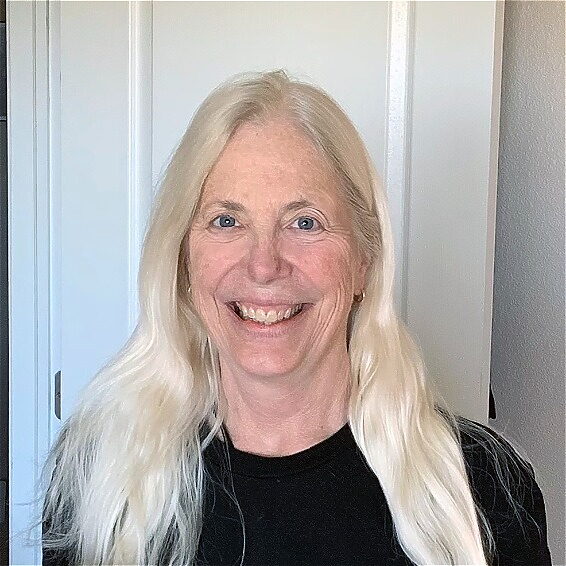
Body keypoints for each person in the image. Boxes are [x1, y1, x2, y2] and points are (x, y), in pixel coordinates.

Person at [35, 69, 552, 565]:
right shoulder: (104, 480)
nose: (263, 265)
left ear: (364, 260)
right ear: (183, 260)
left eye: (305, 222)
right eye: (226, 221)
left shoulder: (480, 492)